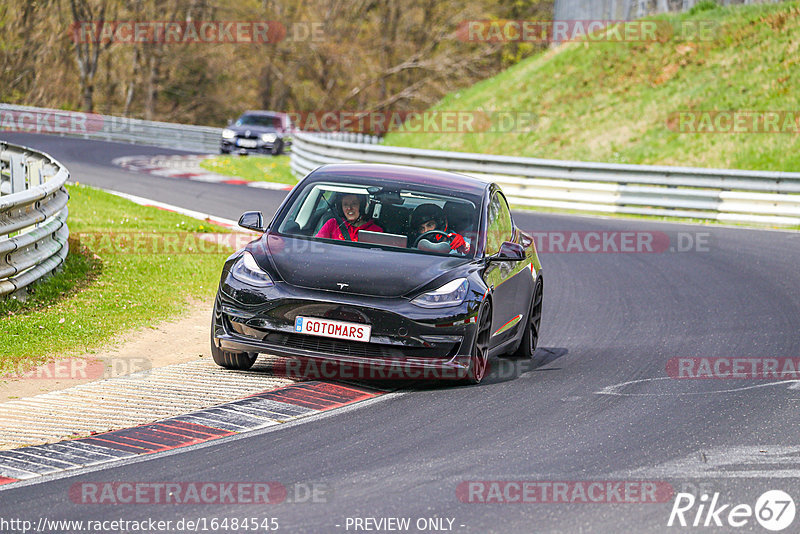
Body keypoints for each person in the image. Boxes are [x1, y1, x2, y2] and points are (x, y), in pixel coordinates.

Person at [316, 193, 382, 241]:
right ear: (341, 208)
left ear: (361, 206)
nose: (349, 208)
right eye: (345, 204)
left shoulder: (375, 231)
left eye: (354, 204)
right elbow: (317, 245)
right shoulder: (332, 224)